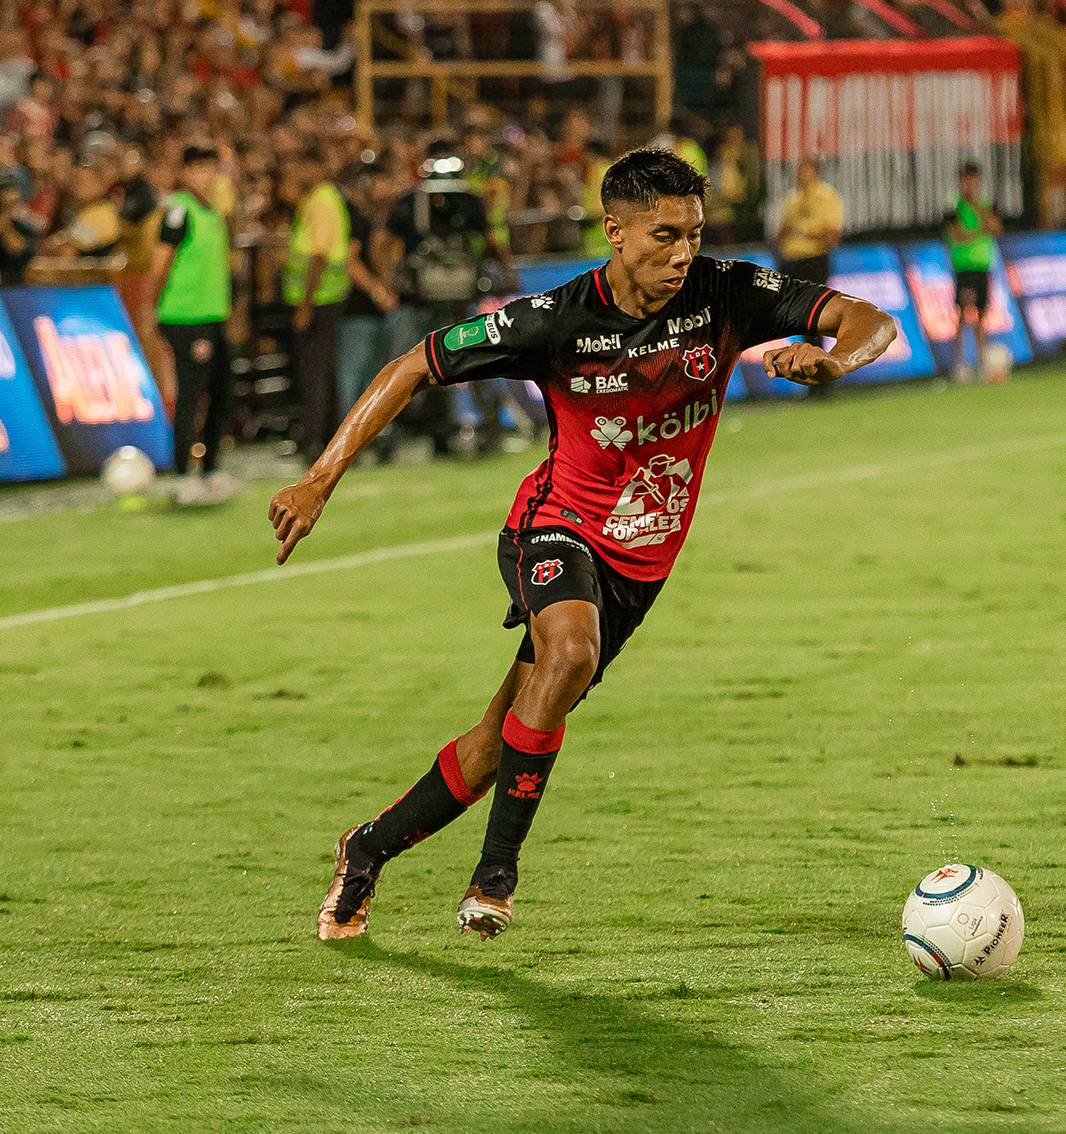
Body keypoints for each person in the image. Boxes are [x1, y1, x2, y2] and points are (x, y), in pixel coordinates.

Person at [280, 148, 897, 941]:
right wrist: (319, 481)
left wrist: (834, 357)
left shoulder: (726, 293)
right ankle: (494, 878)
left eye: (693, 235)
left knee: (499, 741)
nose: (681, 255)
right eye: (662, 236)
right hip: (554, 525)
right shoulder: (556, 319)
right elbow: (411, 366)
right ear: (613, 230)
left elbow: (870, 320)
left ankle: (364, 848)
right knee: (568, 655)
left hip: (639, 566)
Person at [377, 141, 516, 455]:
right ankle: (396, 435)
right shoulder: (412, 202)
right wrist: (389, 283)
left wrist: (507, 272)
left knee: (475, 358)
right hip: (418, 300)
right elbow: (383, 242)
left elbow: (489, 240)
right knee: (407, 365)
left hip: (460, 295)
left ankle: (489, 428)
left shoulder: (469, 201)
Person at [147, 147, 237, 498]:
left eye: (210, 168)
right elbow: (160, 261)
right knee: (190, 394)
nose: (205, 176)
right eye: (198, 169)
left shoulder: (212, 212)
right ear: (185, 173)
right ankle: (183, 474)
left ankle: (211, 468)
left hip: (212, 315)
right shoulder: (179, 210)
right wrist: (150, 309)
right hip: (184, 315)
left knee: (221, 392)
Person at [285, 149, 353, 460]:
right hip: (326, 298)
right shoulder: (323, 198)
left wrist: (305, 305)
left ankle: (316, 441)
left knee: (314, 374)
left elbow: (319, 255)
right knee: (324, 372)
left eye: (299, 165)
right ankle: (326, 439)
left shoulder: (321, 201)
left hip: (320, 300)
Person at [338, 161, 404, 464]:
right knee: (354, 378)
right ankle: (350, 446)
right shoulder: (352, 214)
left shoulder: (369, 215)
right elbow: (350, 262)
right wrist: (378, 291)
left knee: (369, 377)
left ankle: (370, 441)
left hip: (368, 310)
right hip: (356, 309)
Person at [943, 161, 1001, 381]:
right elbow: (958, 236)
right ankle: (960, 365)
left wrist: (979, 221)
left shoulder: (985, 205)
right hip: (964, 267)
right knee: (962, 314)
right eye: (965, 180)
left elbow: (996, 228)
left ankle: (982, 364)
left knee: (982, 315)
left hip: (983, 265)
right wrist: (980, 231)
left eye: (973, 181)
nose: (969, 185)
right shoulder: (953, 207)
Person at [773, 158, 844, 289]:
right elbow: (782, 232)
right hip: (789, 262)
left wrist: (801, 233)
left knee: (812, 305)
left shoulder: (828, 197)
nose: (800, 177)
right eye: (799, 172)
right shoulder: (792, 198)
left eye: (805, 172)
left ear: (817, 175)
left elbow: (833, 238)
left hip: (813, 262)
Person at [0, 170, 38, 288]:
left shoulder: (24, 222)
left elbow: (17, 249)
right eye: (5, 190)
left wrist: (5, 220)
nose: (9, 195)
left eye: (13, 190)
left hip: (16, 286)